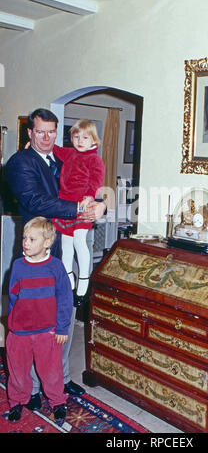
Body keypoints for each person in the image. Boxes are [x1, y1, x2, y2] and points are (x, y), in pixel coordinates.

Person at [5, 108, 106, 410]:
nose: (47, 138)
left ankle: (59, 380)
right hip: (37, 255)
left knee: (63, 317)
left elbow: (91, 181)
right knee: (34, 322)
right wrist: (79, 208)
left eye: (51, 132)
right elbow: (36, 201)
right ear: (30, 133)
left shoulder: (66, 157)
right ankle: (33, 388)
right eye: (40, 132)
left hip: (66, 250)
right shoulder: (19, 163)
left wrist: (100, 204)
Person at [6, 217, 73, 424]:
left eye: (32, 239)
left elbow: (65, 299)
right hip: (19, 332)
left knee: (51, 371)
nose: (25, 242)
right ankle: (17, 401)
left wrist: (62, 328)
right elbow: (13, 297)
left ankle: (57, 402)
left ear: (47, 242)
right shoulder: (18, 266)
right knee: (17, 371)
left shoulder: (56, 267)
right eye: (24, 238)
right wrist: (13, 325)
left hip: (48, 331)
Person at [52, 119, 105, 307]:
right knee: (65, 244)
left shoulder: (94, 159)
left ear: (94, 141)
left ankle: (84, 284)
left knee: (79, 241)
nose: (80, 141)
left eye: (85, 137)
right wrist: (33, 146)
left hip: (84, 203)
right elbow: (55, 149)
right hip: (65, 204)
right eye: (76, 137)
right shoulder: (70, 154)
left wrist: (89, 197)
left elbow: (97, 180)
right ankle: (69, 282)